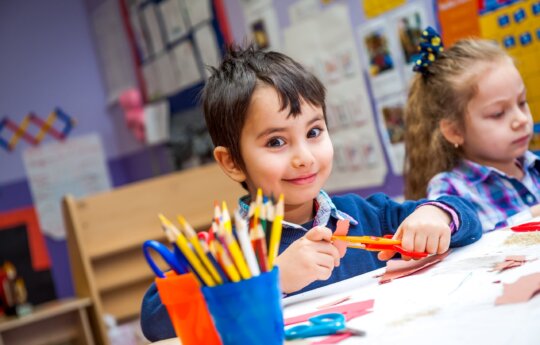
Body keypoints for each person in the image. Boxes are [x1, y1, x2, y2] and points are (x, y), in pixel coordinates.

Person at [140, 44, 482, 341]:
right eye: (276, 142)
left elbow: (467, 216)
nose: (304, 157)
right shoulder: (225, 252)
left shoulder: (365, 216)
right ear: (232, 162)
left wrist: (438, 215)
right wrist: (271, 279)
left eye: (314, 131)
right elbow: (155, 319)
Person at [404, 27, 540, 232]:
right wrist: (530, 216)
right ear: (454, 131)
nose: (521, 120)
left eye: (521, 103)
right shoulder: (450, 189)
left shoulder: (535, 168)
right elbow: (468, 250)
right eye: (497, 114)